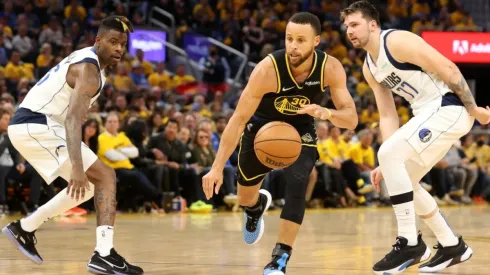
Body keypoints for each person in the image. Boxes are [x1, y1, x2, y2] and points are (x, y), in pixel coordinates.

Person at [202, 12, 357, 275]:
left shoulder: (330, 68)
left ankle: (280, 257)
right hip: (262, 128)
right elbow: (238, 119)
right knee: (243, 197)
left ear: (316, 41)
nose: (293, 46)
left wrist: (328, 113)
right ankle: (254, 208)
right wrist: (216, 167)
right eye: (288, 39)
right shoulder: (267, 69)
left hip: (300, 129)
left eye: (300, 40)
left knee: (298, 183)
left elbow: (351, 119)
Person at [341, 1, 490, 274]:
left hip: (448, 107)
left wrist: (474, 109)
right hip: (425, 114)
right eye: (346, 26)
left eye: (354, 24)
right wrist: (386, 161)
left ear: (372, 25)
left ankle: (409, 242)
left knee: (390, 157)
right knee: (407, 180)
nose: (348, 30)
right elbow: (387, 115)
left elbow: (449, 67)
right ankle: (452, 245)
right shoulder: (369, 68)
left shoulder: (397, 41)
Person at [2, 16, 143, 275]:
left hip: (41, 123)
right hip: (35, 124)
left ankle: (25, 227)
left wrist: (115, 20)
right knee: (105, 176)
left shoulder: (91, 63)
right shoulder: (89, 72)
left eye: (122, 43)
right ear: (97, 41)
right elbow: (71, 120)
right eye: (113, 42)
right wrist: (77, 167)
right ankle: (103, 255)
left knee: (90, 187)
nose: (119, 49)